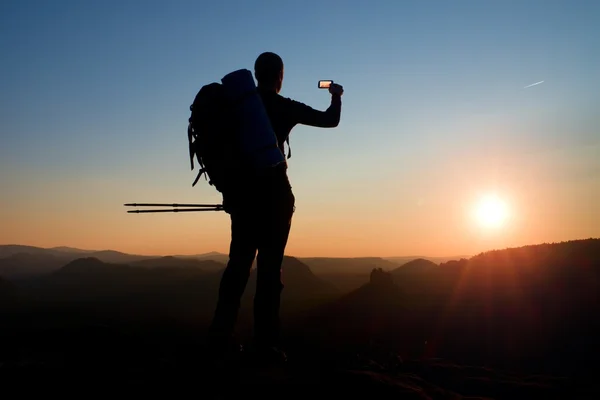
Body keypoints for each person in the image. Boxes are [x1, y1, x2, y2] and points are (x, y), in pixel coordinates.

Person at [208, 52, 344, 364]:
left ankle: (219, 340)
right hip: (276, 200)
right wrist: (336, 96)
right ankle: (265, 346)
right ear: (279, 76)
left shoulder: (236, 107)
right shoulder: (285, 107)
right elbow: (330, 120)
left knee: (237, 268)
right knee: (269, 273)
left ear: (256, 74)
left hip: (243, 200)